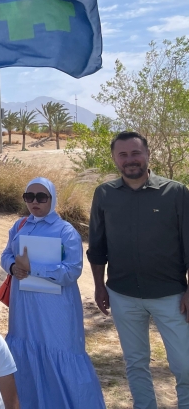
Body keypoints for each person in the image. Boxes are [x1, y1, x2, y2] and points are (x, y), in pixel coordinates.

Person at [88, 131, 189, 409]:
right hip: (123, 295)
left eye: (135, 153)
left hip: (171, 295)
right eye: (122, 154)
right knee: (135, 363)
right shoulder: (104, 194)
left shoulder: (176, 192)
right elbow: (97, 246)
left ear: (147, 155)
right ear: (114, 159)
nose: (130, 160)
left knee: (184, 365)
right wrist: (99, 286)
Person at [1, 177, 105, 408]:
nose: (34, 202)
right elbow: (6, 254)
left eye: (41, 197)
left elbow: (72, 271)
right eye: (29, 197)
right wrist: (12, 267)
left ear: (52, 198)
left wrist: (33, 268)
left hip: (56, 306)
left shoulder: (65, 231)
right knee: (27, 347)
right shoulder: (19, 225)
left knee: (60, 350)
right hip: (24, 304)